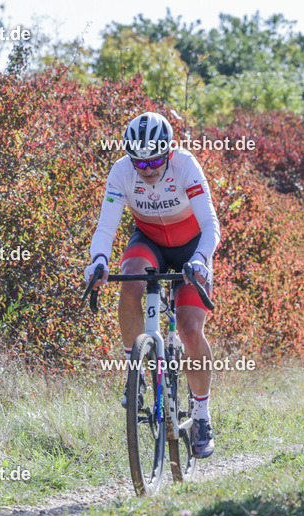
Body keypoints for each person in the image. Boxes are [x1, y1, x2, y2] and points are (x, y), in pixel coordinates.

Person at [84, 112, 221, 457]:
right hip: (150, 241)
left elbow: (210, 224)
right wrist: (97, 261)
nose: (147, 170)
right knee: (129, 278)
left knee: (191, 330)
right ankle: (137, 372)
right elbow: (105, 228)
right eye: (140, 162)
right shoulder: (122, 171)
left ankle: (202, 415)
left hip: (192, 249)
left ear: (169, 151)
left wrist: (201, 261)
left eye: (156, 160)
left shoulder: (185, 165)